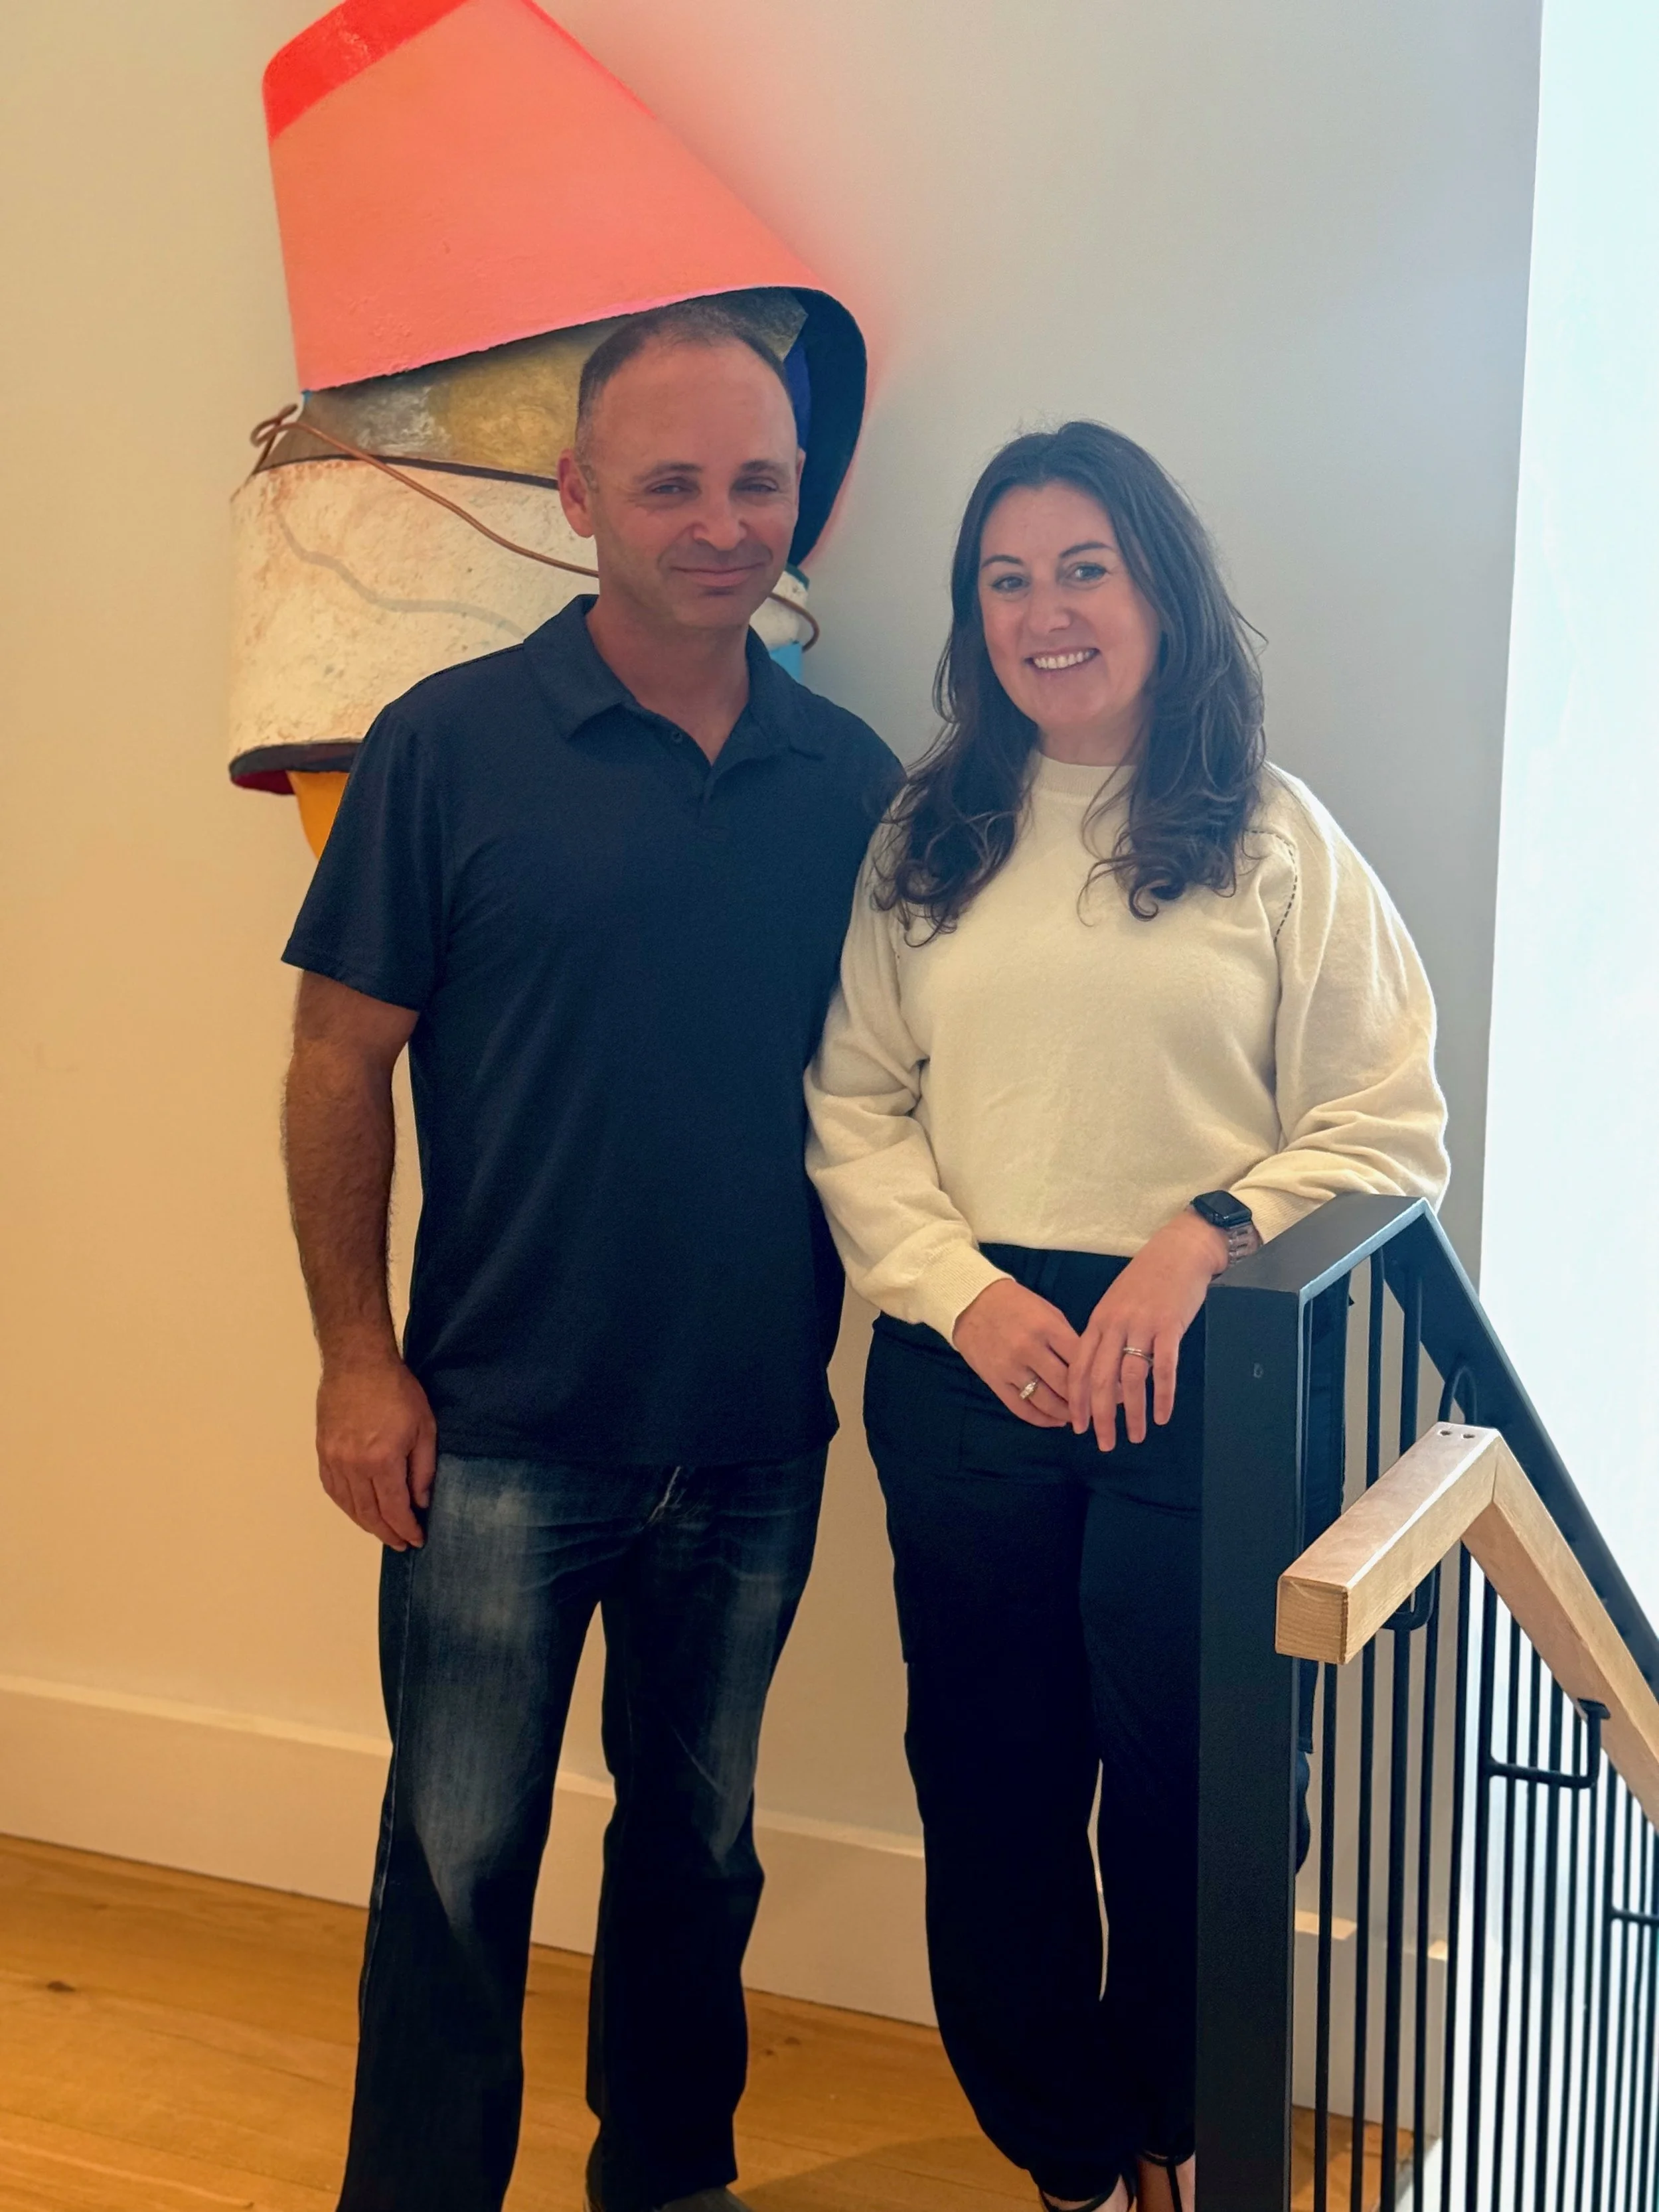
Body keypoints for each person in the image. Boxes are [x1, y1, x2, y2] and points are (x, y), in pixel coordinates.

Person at [281, 299, 898, 2212]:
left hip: (748, 1435)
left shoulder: (853, 779)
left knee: (698, 1844)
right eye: (674, 482)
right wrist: (355, 1358)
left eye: (760, 482)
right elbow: (335, 1062)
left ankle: (669, 2175)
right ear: (576, 497)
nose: (722, 520)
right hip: (491, 1434)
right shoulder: (444, 745)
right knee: (456, 1855)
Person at [805, 421, 1449, 2212]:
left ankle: (1178, 2129)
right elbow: (852, 1101)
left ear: (1159, 588)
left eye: (1083, 566)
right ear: (971, 617)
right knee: (996, 1783)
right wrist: (957, 1291)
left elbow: (1390, 1116)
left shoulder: (1269, 836)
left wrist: (1204, 1231)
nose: (1045, 610)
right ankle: (1067, 2159)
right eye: (1004, 578)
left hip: (1210, 1357)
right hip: (970, 1357)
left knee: (1200, 1787)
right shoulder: (924, 835)